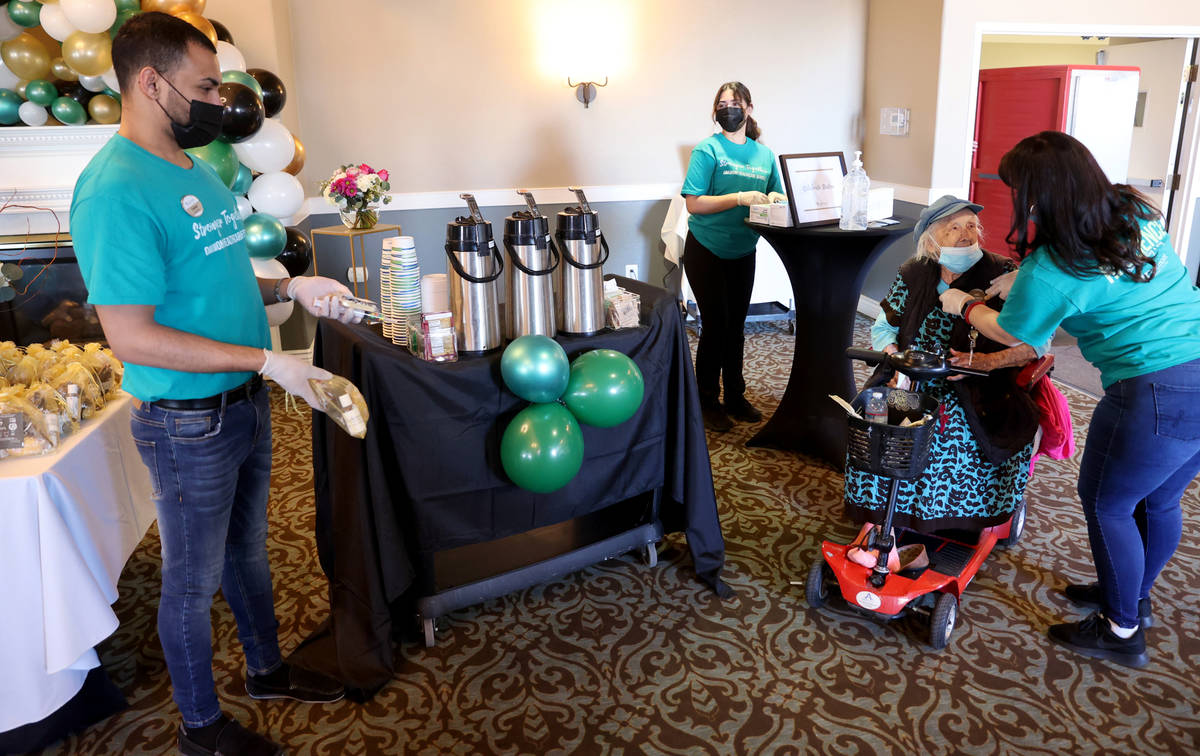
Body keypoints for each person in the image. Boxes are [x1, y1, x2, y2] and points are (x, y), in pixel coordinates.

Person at [70, 13, 359, 755]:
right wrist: (269, 362)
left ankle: (265, 670)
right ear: (150, 82)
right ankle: (200, 728)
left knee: (249, 554)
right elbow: (131, 335)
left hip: (244, 400)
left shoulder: (192, 167)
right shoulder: (113, 190)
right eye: (201, 87)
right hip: (185, 420)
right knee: (191, 583)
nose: (214, 102)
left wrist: (291, 292)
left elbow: (216, 287)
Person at [941, 130, 1200, 669]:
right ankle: (1129, 598)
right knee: (1158, 500)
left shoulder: (1056, 267)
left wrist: (962, 304)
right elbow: (1112, 279)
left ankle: (1121, 630)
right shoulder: (1133, 210)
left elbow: (1017, 336)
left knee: (1108, 503)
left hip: (1153, 388)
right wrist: (1021, 279)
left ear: (1040, 195)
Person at [844, 196, 1042, 571]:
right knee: (873, 425)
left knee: (947, 433)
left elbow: (1031, 344)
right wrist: (894, 357)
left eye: (972, 226)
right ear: (931, 241)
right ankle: (879, 519)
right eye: (954, 227)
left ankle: (941, 519)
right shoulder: (914, 271)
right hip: (910, 377)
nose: (967, 234)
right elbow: (884, 324)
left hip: (978, 386)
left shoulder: (1003, 273)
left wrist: (982, 361)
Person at [681, 81, 785, 432]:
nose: (729, 108)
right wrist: (739, 197)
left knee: (735, 328)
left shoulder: (764, 155)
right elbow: (694, 202)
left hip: (744, 251)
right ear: (716, 112)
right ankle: (706, 400)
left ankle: (736, 397)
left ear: (749, 109)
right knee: (715, 327)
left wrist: (774, 202)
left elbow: (778, 198)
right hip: (706, 249)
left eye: (735, 102)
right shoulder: (707, 150)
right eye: (722, 103)